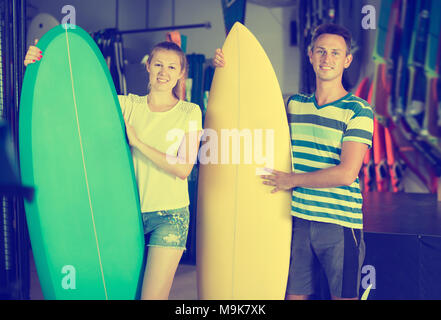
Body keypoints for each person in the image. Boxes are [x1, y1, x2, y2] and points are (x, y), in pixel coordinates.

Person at [25, 40, 203, 300]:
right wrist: (38, 65)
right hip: (125, 217)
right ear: (148, 67)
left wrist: (138, 143)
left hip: (170, 217)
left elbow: (184, 168)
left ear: (180, 73)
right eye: (158, 65)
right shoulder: (127, 105)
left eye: (171, 67)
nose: (164, 72)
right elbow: (75, 99)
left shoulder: (189, 112)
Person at [214, 23, 373, 300]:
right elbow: (253, 109)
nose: (327, 58)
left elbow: (347, 173)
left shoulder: (357, 109)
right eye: (321, 51)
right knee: (292, 297)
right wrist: (228, 70)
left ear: (347, 60)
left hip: (339, 224)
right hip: (297, 219)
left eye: (336, 53)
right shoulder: (293, 105)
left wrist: (291, 180)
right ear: (310, 55)